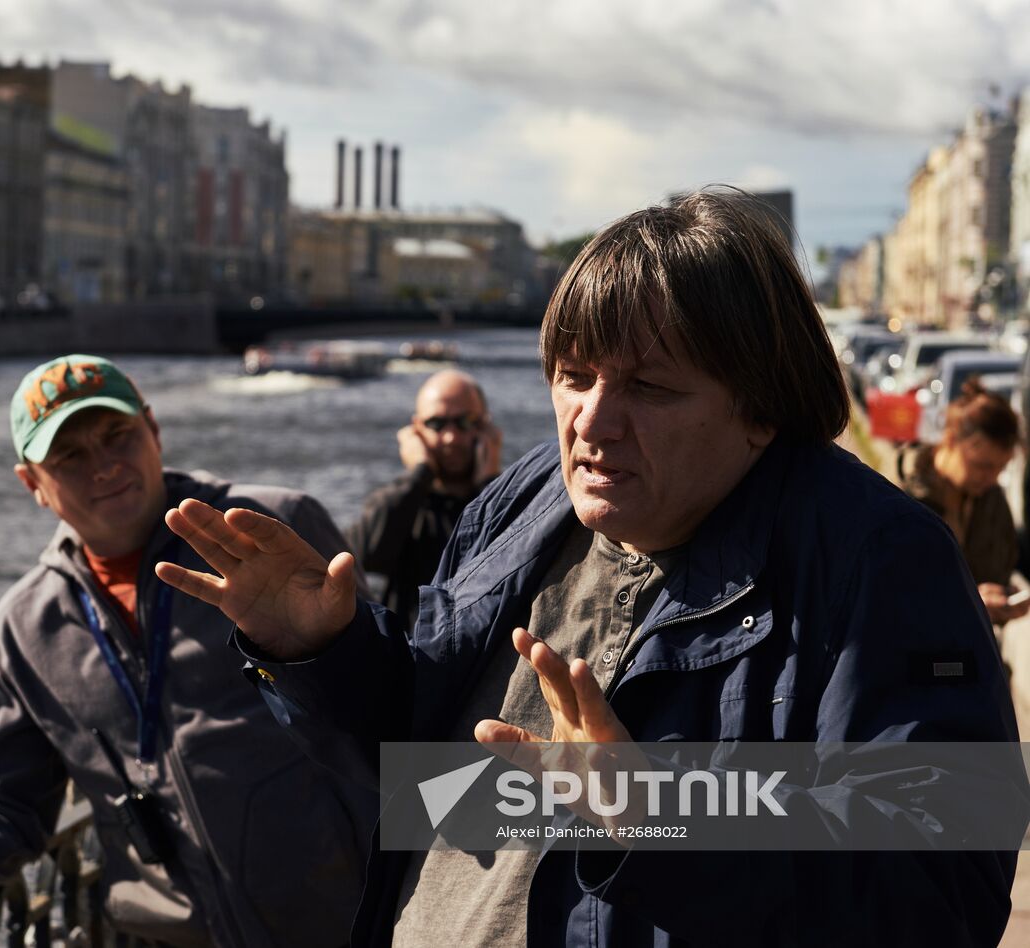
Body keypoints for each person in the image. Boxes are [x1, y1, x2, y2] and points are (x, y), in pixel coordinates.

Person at [155, 190, 1026, 946]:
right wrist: (326, 653)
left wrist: (659, 815)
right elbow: (426, 785)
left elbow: (939, 895)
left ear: (760, 408)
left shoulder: (877, 559)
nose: (592, 422)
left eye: (650, 388)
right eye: (573, 376)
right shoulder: (524, 499)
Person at [0, 354, 374, 948]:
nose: (103, 466)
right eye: (69, 456)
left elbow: (401, 705)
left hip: (361, 924)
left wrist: (485, 867)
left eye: (117, 435)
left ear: (152, 429)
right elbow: (5, 802)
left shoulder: (266, 530)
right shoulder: (25, 630)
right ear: (32, 485)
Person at [346, 370, 501, 627]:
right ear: (416, 430)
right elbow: (364, 556)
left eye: (464, 422)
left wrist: (491, 486)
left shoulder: (506, 500)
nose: (451, 437)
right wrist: (419, 475)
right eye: (437, 424)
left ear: (485, 427)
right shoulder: (404, 503)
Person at [898, 377, 1027, 625]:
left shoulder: (991, 498)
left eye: (1001, 469)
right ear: (950, 439)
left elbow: (1002, 568)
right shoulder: (903, 500)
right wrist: (969, 603)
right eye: (982, 466)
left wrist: (1006, 598)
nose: (992, 478)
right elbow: (891, 597)